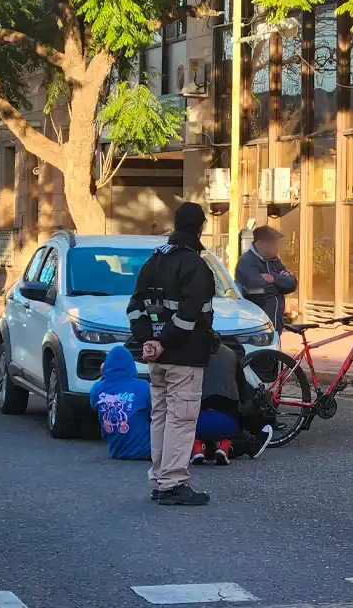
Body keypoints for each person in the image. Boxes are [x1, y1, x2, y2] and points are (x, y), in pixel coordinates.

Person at [127, 202, 216, 506]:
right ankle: (173, 483)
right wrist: (165, 342)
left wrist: (148, 341)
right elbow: (191, 315)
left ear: (176, 224)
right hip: (185, 356)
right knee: (181, 418)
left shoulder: (154, 260)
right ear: (200, 228)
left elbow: (135, 307)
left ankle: (159, 479)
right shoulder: (195, 265)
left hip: (157, 358)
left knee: (161, 417)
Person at [190, 344, 273, 465]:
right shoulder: (230, 354)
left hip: (195, 422)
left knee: (192, 424)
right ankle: (230, 446)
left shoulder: (190, 354)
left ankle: (198, 447)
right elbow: (243, 391)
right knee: (235, 422)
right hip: (226, 421)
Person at [89, 345, 152, 461]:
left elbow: (93, 405)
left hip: (117, 451)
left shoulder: (97, 389)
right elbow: (153, 413)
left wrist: (104, 376)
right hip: (147, 450)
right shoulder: (143, 386)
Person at [235, 226, 297, 333]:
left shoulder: (275, 261)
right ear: (260, 243)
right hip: (256, 326)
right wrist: (280, 288)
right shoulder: (246, 261)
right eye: (273, 243)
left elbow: (292, 283)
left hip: (276, 325)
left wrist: (273, 279)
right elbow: (257, 289)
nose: (277, 246)